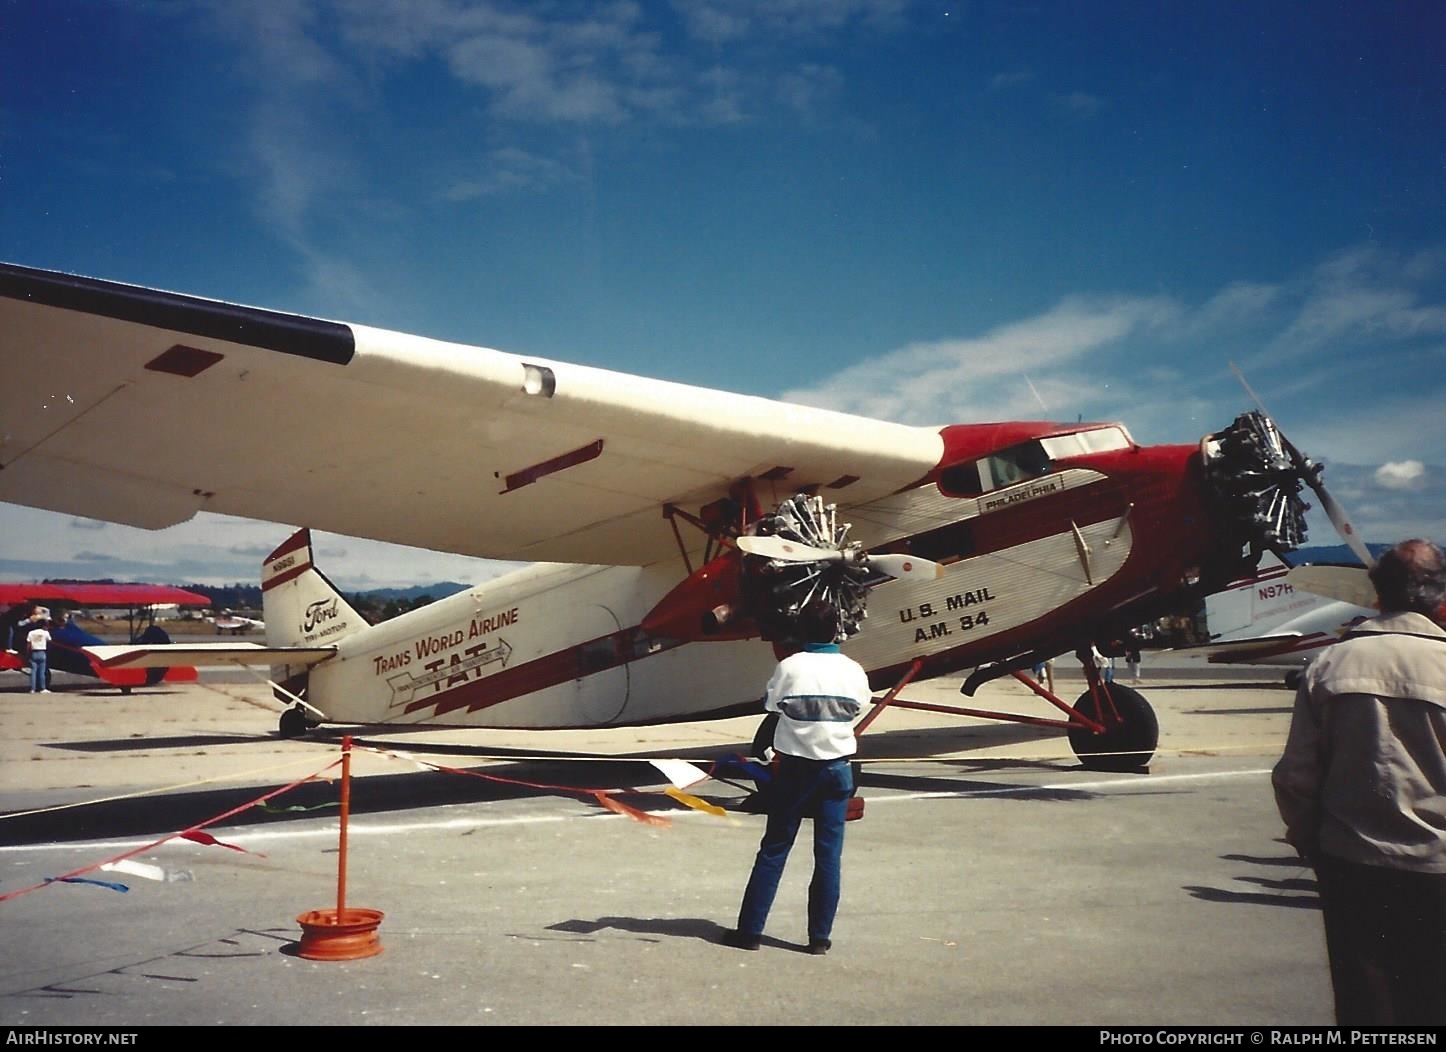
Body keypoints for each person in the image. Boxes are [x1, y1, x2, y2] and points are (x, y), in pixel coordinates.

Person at [1272, 538, 1446, 1025]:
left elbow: (1295, 776)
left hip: (1351, 862)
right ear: (1438, 595)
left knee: (1364, 1002)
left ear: (1376, 593)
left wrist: (1310, 841)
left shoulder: (1330, 664)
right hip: (1437, 870)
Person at [723, 601, 873, 955]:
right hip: (837, 769)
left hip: (795, 769)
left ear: (801, 631)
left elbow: (773, 706)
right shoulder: (853, 670)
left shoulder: (789, 667)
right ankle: (819, 938)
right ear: (837, 630)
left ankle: (750, 932)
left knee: (774, 849)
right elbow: (860, 705)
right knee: (828, 855)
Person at [25, 610, 51, 694]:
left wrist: (27, 653)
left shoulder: (31, 633)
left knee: (33, 672)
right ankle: (42, 688)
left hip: (33, 652)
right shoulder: (45, 633)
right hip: (42, 652)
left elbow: (28, 644)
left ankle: (32, 689)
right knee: (42, 672)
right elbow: (49, 641)